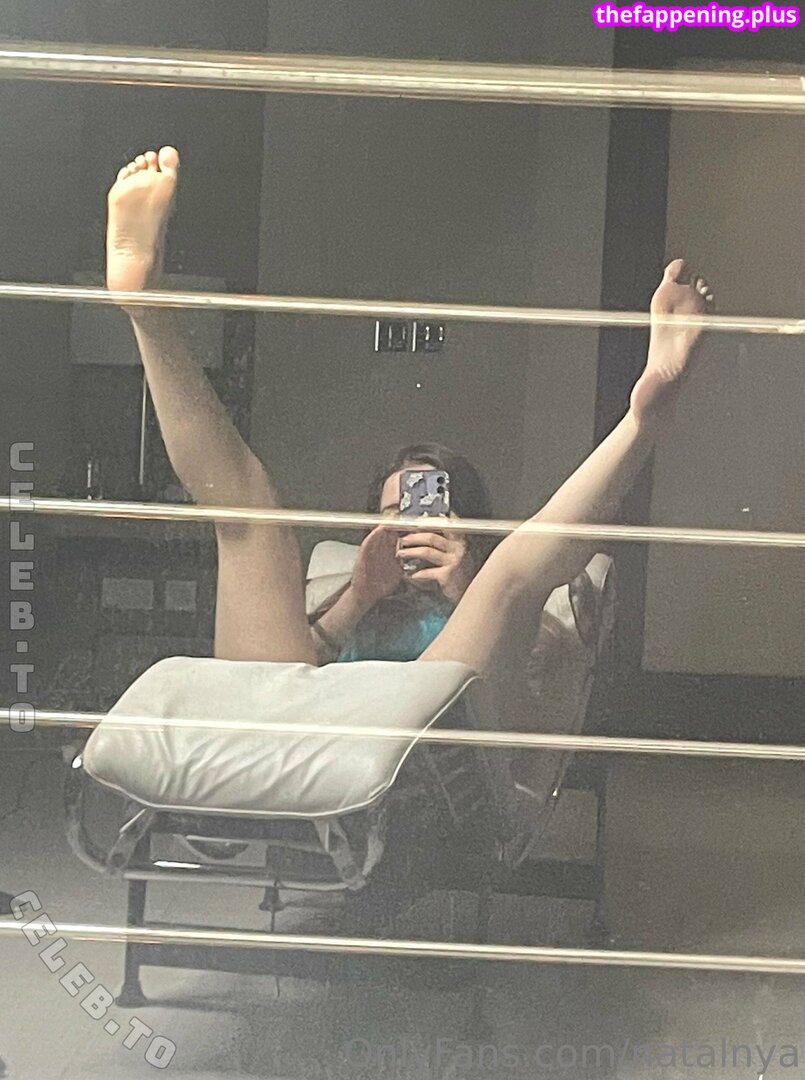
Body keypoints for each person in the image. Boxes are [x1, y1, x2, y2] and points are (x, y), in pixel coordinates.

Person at [105, 146, 714, 677]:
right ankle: (145, 309)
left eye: (431, 507)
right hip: (319, 739)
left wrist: (466, 587)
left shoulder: (486, 593)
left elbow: (546, 678)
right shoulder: (357, 599)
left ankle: (643, 420)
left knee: (513, 574)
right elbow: (295, 672)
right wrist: (360, 595)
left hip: (430, 742)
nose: (412, 527)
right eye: (396, 513)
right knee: (248, 514)